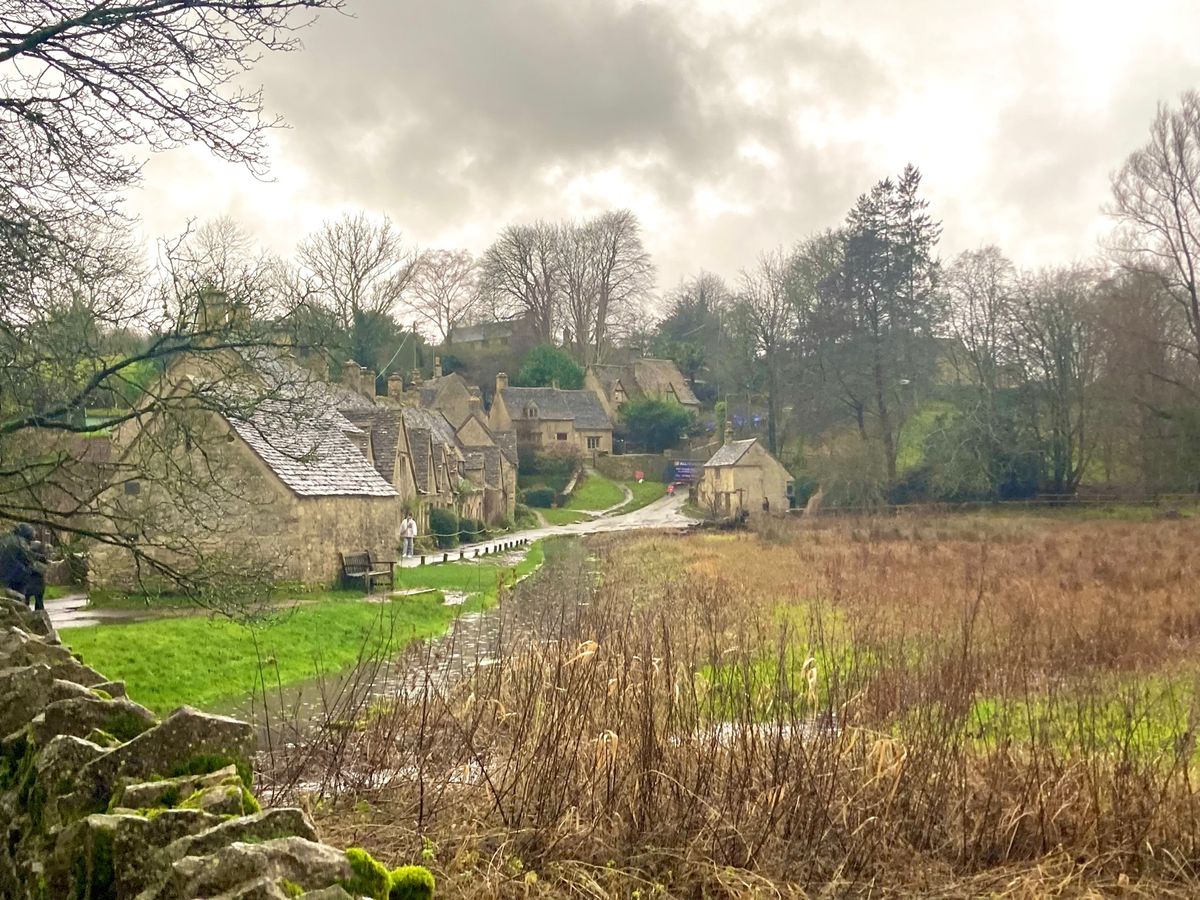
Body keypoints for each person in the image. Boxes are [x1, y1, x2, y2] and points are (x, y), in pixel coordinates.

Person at [0, 523, 47, 610]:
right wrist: (39, 561)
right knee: (20, 600)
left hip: (4, 575)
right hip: (17, 576)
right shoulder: (20, 541)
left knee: (9, 599)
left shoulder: (5, 539)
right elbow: (27, 557)